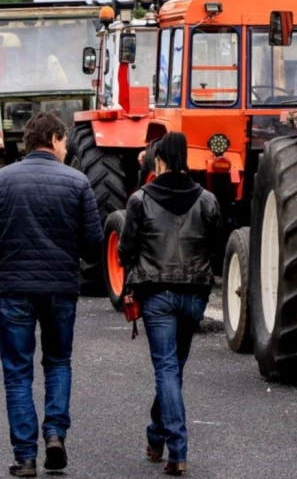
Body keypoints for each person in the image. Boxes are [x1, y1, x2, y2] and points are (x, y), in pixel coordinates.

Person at [0, 112, 103, 477]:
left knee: (17, 373)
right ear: (56, 139)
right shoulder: (77, 182)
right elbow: (94, 247)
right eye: (65, 141)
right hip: (60, 288)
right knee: (58, 362)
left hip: (12, 289)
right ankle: (55, 435)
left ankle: (25, 457)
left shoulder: (3, 180)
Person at [118, 132, 222, 476]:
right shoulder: (207, 199)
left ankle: (176, 450)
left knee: (166, 370)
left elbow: (125, 249)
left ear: (159, 160)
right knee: (173, 370)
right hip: (194, 295)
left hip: (157, 296)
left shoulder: (140, 200)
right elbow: (217, 247)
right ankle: (155, 437)